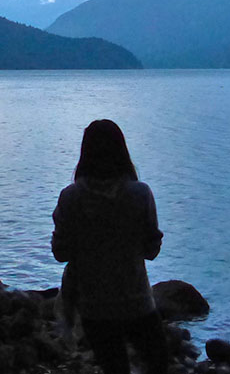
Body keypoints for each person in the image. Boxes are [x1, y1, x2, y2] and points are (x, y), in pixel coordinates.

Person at [51, 119, 169, 374]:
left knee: (114, 368)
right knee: (159, 364)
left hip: (94, 307)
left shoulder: (70, 197)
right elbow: (152, 250)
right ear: (122, 152)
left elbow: (60, 253)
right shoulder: (140, 194)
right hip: (137, 302)